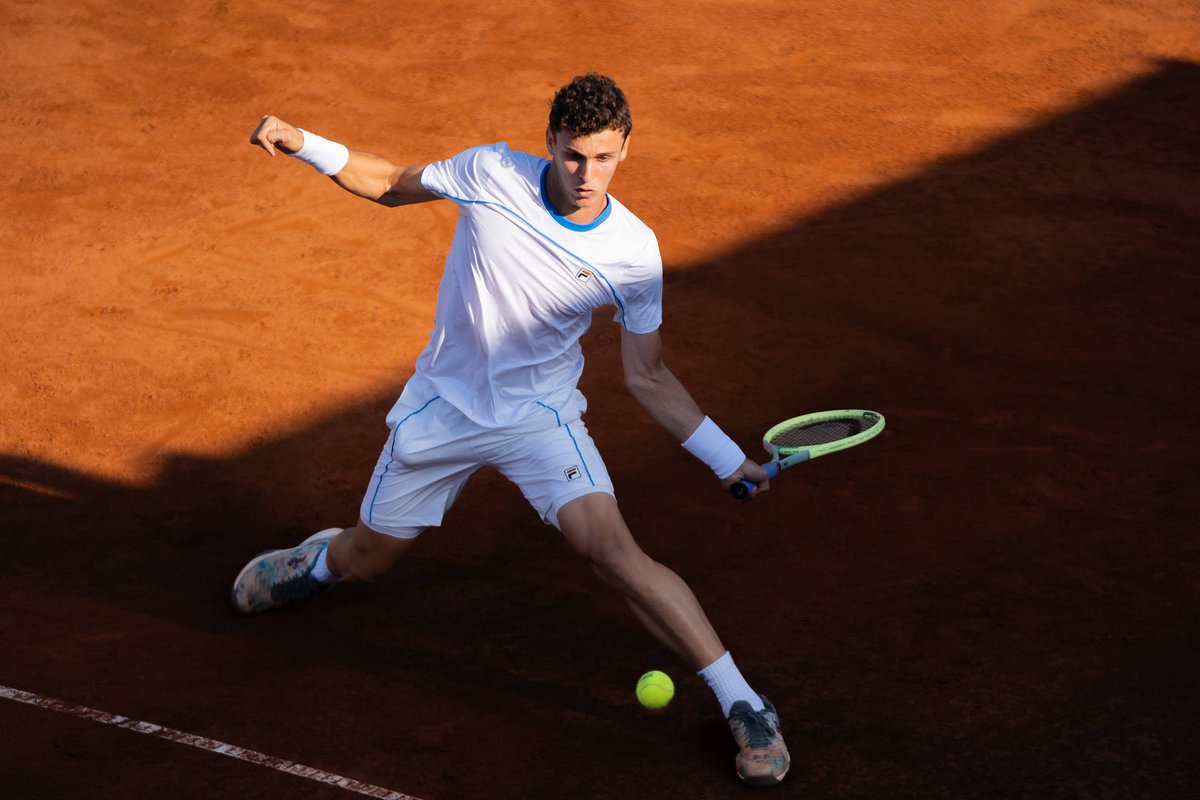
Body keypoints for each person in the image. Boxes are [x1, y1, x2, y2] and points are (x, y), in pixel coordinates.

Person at [232, 73, 790, 787]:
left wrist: (725, 460)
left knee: (613, 551)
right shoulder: (491, 172)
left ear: (626, 150)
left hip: (540, 418)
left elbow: (647, 376)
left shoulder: (633, 251)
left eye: (606, 158)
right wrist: (304, 142)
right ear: (551, 141)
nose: (589, 175)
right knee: (367, 560)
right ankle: (318, 564)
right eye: (575, 156)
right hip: (442, 410)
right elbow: (390, 182)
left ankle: (744, 703)